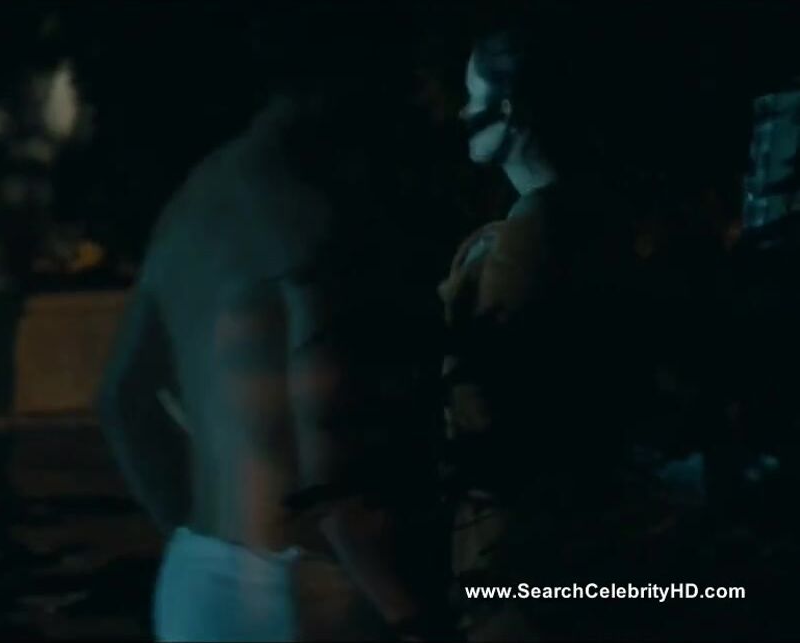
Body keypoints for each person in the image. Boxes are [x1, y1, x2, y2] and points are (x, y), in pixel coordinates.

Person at [97, 21, 456, 641]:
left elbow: (121, 399)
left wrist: (196, 535)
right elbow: (328, 438)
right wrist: (411, 613)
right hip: (313, 592)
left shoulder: (194, 201)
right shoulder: (330, 201)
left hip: (195, 584)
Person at [442, 23, 711, 639]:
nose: (459, 112)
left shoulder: (529, 239)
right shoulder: (590, 218)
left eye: (472, 95)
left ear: (510, 110)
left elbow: (489, 408)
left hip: (523, 556)